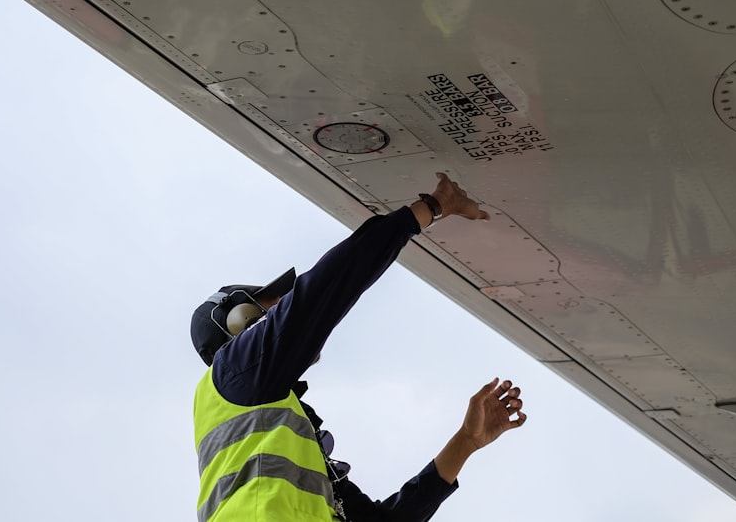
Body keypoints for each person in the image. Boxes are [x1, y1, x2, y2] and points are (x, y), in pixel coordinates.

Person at [190, 172, 527, 522]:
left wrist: (465, 442)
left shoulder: (276, 429)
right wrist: (432, 207)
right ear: (239, 322)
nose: (284, 307)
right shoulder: (234, 370)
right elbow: (329, 285)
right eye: (275, 304)